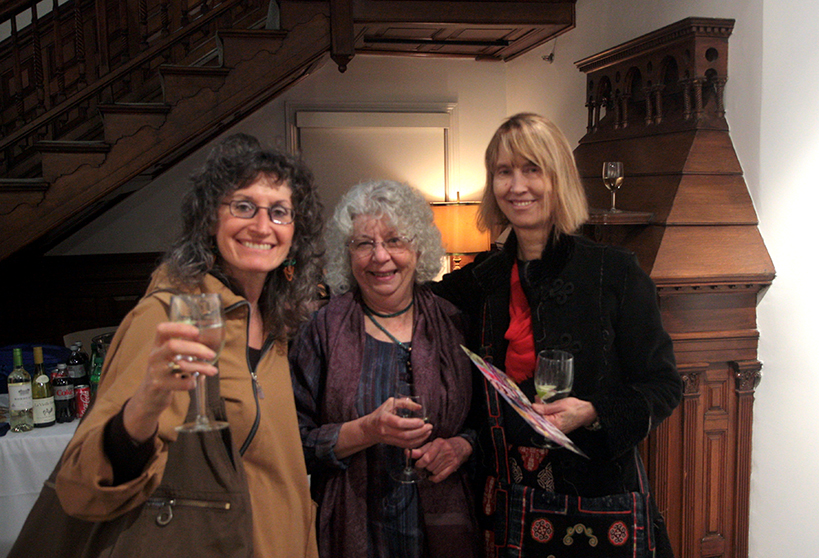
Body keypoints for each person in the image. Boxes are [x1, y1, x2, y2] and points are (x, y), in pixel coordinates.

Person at [54, 133, 322, 557]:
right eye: (243, 206)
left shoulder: (274, 323)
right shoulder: (169, 316)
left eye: (279, 212)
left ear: (295, 231)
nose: (262, 226)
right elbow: (81, 487)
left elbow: (279, 474)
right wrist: (144, 405)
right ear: (209, 219)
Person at [432, 113, 682, 557]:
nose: (517, 186)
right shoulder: (481, 280)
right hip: (506, 506)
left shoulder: (614, 272)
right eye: (504, 172)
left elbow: (664, 386)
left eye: (532, 169)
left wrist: (592, 410)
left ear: (558, 177)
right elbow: (411, 301)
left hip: (597, 506)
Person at [289, 179, 479, 558]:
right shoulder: (322, 330)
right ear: (347, 253)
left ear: (418, 248)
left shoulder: (454, 323)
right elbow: (292, 442)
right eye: (364, 243)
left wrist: (462, 446)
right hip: (350, 527)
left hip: (445, 527)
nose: (380, 256)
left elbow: (486, 422)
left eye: (395, 240)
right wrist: (366, 431)